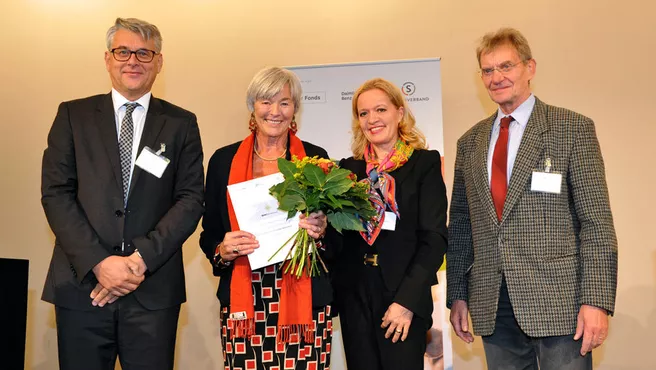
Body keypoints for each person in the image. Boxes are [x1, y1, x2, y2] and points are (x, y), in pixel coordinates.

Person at [447, 27, 618, 369]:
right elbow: (462, 227)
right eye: (488, 70)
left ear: (530, 68)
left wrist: (596, 301)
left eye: (506, 66)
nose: (497, 77)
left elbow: (596, 223)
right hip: (493, 304)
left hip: (562, 304)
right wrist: (458, 295)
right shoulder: (470, 142)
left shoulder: (571, 128)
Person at [41, 17, 204, 370]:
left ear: (159, 62)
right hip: (83, 287)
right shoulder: (72, 115)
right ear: (107, 59)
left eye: (144, 53)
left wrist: (137, 260)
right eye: (123, 51)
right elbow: (56, 193)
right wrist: (100, 263)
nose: (133, 61)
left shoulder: (181, 123)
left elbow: (191, 199)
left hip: (152, 290)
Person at [199, 66, 334, 369]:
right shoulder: (223, 161)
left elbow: (337, 239)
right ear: (252, 107)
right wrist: (222, 249)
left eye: (284, 102)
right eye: (265, 101)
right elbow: (210, 235)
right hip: (245, 296)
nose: (275, 111)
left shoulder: (316, 159)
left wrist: (321, 230)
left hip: (303, 297)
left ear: (295, 108)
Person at [333, 78, 448, 370]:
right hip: (355, 296)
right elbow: (339, 240)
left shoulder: (424, 164)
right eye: (363, 113)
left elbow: (434, 239)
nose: (372, 119)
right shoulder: (347, 170)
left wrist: (406, 303)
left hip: (403, 298)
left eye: (380, 110)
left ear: (399, 113)